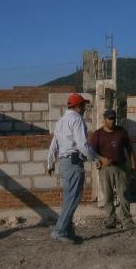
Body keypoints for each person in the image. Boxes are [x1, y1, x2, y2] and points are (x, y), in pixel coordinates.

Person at [47, 93, 109, 244]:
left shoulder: (61, 121)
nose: (84, 108)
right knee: (73, 198)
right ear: (78, 106)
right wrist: (96, 158)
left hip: (64, 162)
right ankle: (59, 231)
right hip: (73, 162)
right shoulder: (77, 120)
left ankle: (68, 231)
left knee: (69, 198)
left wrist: (50, 163)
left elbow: (54, 144)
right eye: (83, 105)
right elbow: (82, 145)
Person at [89, 109, 136, 229]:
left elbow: (129, 148)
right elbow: (91, 151)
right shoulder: (98, 134)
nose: (112, 121)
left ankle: (126, 220)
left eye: (114, 119)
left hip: (120, 167)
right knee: (108, 196)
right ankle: (111, 220)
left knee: (124, 194)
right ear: (104, 120)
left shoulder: (121, 132)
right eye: (110, 119)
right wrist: (100, 159)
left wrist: (133, 164)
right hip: (105, 169)